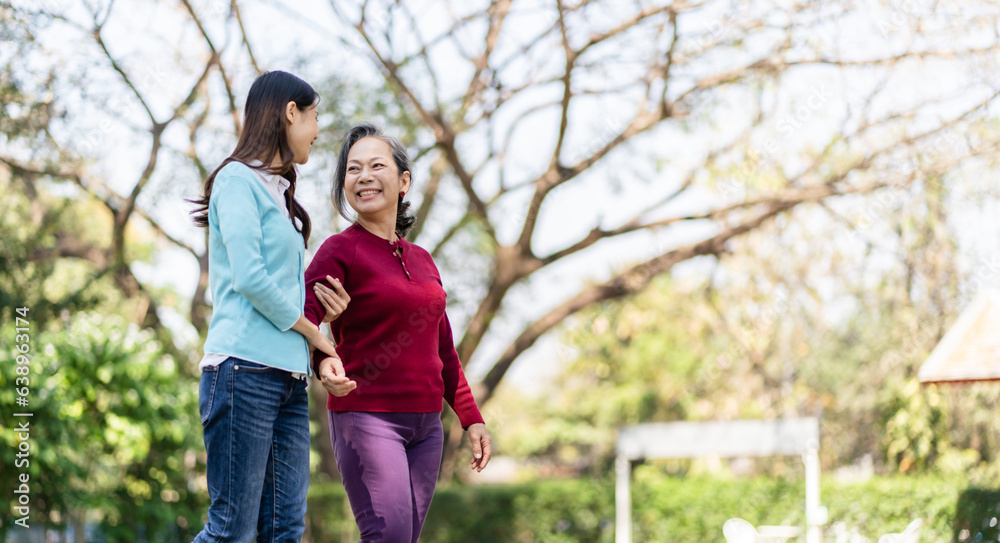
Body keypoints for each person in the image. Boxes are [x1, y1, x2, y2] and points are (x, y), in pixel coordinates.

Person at [304, 122, 492, 542]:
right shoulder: (339, 250)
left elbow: (442, 347)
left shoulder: (423, 260)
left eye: (376, 165)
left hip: (427, 428)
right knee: (388, 538)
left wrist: (471, 417)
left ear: (403, 180)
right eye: (353, 170)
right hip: (367, 417)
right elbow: (303, 317)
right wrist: (324, 362)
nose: (364, 177)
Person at [188, 70, 342, 542]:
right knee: (232, 531)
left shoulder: (280, 192)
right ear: (290, 111)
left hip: (288, 381)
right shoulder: (237, 179)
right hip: (242, 372)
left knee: (284, 530)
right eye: (315, 115)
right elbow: (250, 277)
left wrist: (323, 323)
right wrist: (315, 335)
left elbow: (281, 289)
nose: (317, 131)